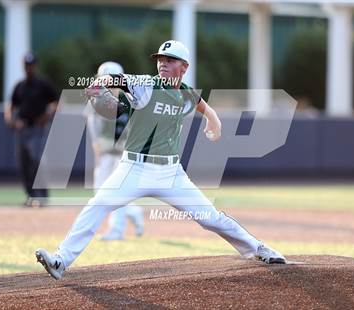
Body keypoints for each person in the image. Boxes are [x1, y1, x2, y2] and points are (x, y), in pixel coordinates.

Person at [36, 40, 286, 280]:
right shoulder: (145, 85)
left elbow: (201, 105)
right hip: (134, 167)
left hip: (171, 174)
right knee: (97, 204)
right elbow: (117, 80)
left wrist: (214, 122)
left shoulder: (186, 92)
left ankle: (259, 249)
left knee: (210, 218)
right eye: (160, 59)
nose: (162, 63)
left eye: (170, 59)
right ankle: (61, 260)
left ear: (184, 67)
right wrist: (100, 83)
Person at [88, 61, 144, 240]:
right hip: (106, 152)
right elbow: (93, 124)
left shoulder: (131, 98)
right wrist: (96, 145)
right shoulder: (97, 98)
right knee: (99, 191)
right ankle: (134, 212)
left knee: (117, 190)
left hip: (123, 153)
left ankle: (117, 230)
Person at [4, 52, 58, 208]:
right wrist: (10, 119)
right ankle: (31, 196)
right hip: (22, 128)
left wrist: (47, 114)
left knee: (35, 159)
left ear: (36, 66)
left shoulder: (43, 84)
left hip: (37, 127)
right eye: (26, 66)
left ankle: (41, 196)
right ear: (24, 67)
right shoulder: (20, 86)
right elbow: (11, 105)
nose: (29, 68)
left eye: (31, 65)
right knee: (23, 162)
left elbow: (56, 102)